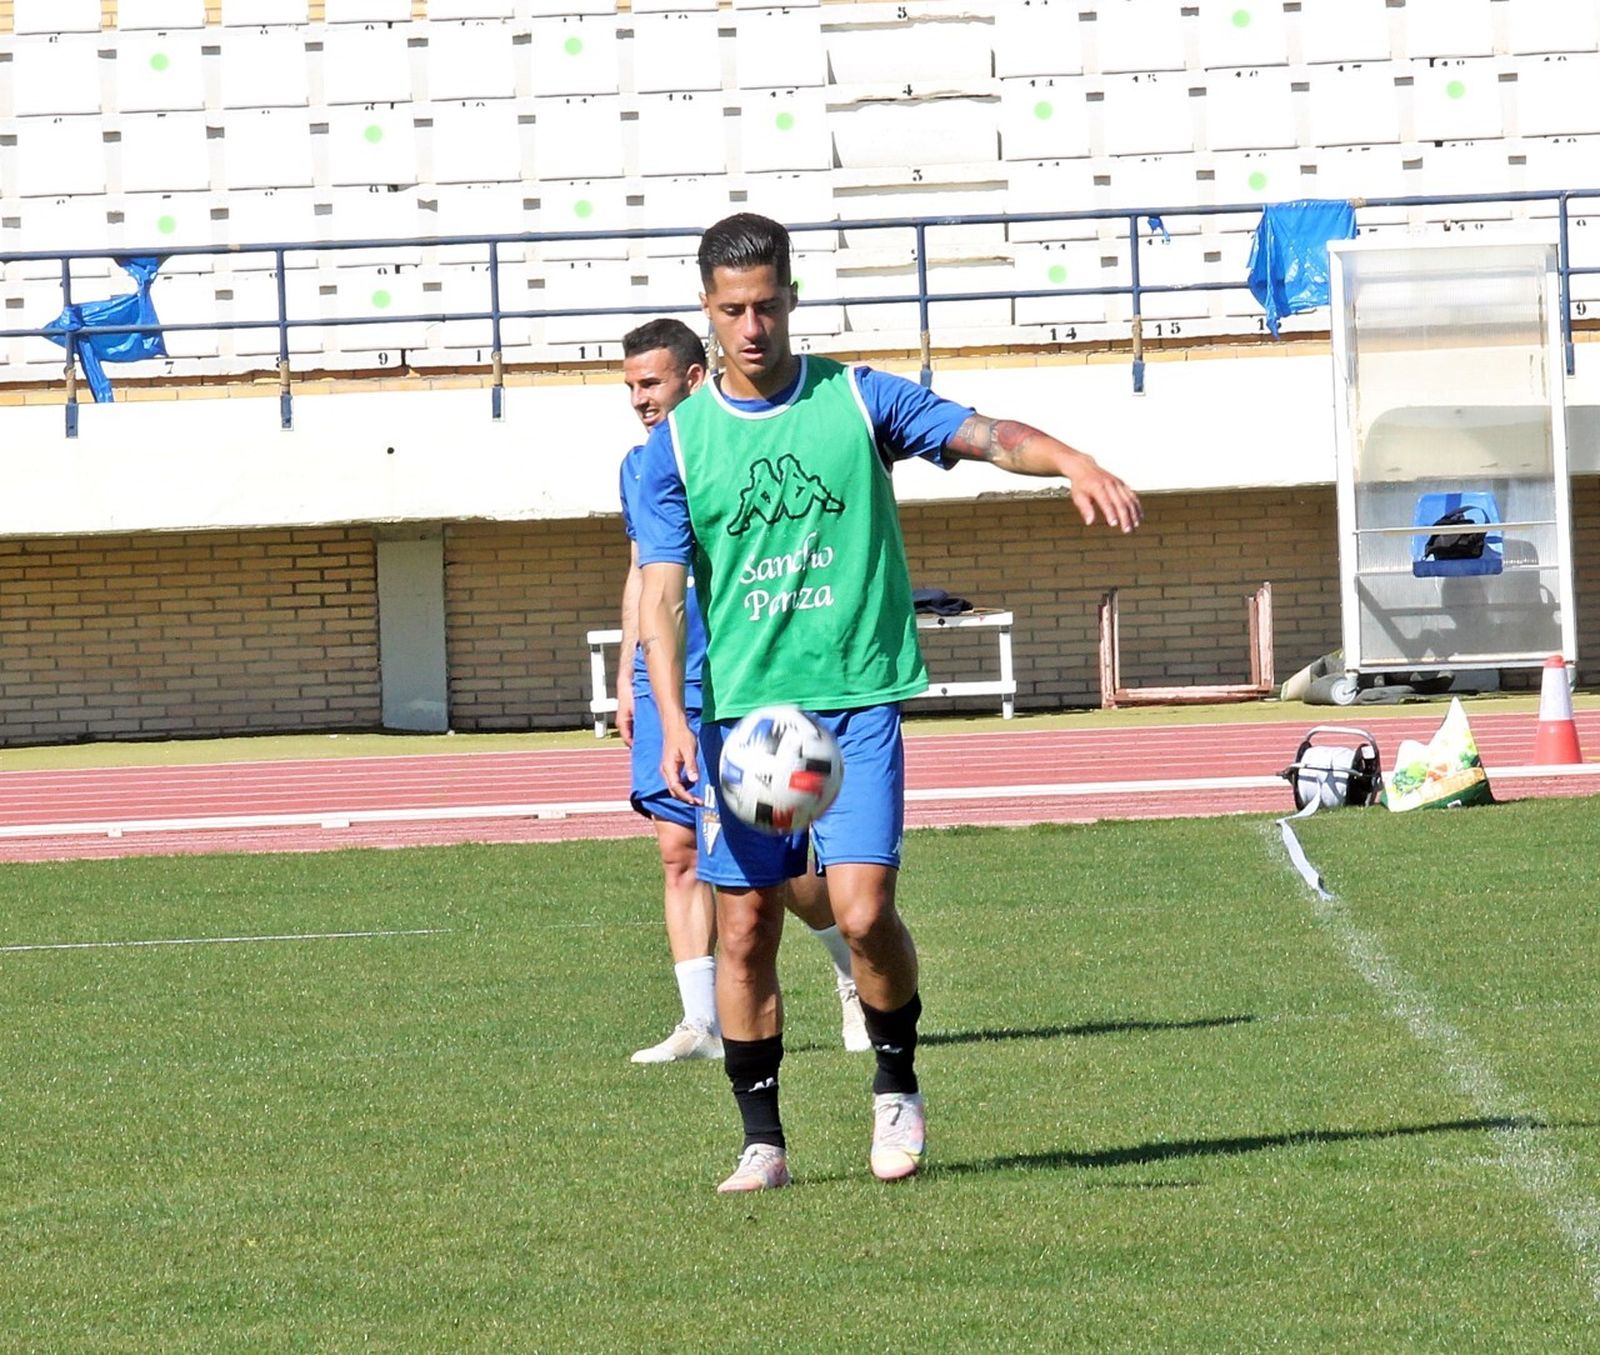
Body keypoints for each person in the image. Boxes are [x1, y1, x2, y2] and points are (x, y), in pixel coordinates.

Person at [632, 215, 1142, 1191]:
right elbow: (659, 593)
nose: (752, 326)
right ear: (709, 310)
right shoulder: (678, 449)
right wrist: (668, 722)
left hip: (856, 699)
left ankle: (895, 1080)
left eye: (768, 305)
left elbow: (984, 433)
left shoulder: (855, 399)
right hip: (743, 719)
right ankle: (763, 1139)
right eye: (733, 310)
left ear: (791, 299)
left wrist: (1073, 460)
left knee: (863, 915)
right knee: (743, 926)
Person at [616, 317, 870, 1064]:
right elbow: (642, 571)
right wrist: (628, 673)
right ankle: (702, 1022)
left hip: (740, 680)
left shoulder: (734, 447)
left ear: (694, 379)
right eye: (630, 386)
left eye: (651, 383)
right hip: (666, 679)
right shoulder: (640, 466)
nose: (639, 400)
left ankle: (852, 976)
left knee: (781, 870)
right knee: (675, 850)